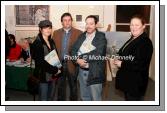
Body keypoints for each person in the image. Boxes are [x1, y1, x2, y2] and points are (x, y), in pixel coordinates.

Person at [114, 14, 153, 101]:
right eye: (131, 24)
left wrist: (122, 63)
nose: (133, 27)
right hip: (129, 81)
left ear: (143, 26)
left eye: (136, 25)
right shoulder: (133, 38)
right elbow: (125, 52)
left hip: (136, 83)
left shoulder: (145, 42)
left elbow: (140, 64)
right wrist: (118, 57)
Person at [71, 15, 107, 101]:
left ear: (96, 24)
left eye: (91, 24)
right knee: (84, 97)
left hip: (94, 73)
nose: (88, 26)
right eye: (87, 23)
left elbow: (98, 53)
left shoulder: (101, 37)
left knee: (95, 99)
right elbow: (73, 50)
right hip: (81, 72)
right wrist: (77, 60)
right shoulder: (82, 36)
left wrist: (79, 57)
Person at [53, 12, 82, 101]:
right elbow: (53, 49)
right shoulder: (56, 33)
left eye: (69, 20)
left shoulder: (79, 33)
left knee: (73, 86)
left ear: (71, 21)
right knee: (60, 86)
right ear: (62, 22)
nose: (67, 22)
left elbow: (81, 50)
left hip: (72, 64)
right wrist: (54, 63)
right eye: (65, 20)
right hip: (60, 64)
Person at [32, 20, 60, 101]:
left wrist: (59, 68)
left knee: (50, 97)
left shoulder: (51, 41)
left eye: (49, 28)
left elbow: (55, 56)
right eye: (45, 28)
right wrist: (55, 70)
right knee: (43, 99)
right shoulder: (37, 43)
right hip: (43, 76)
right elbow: (40, 63)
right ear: (40, 29)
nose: (48, 30)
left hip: (53, 75)